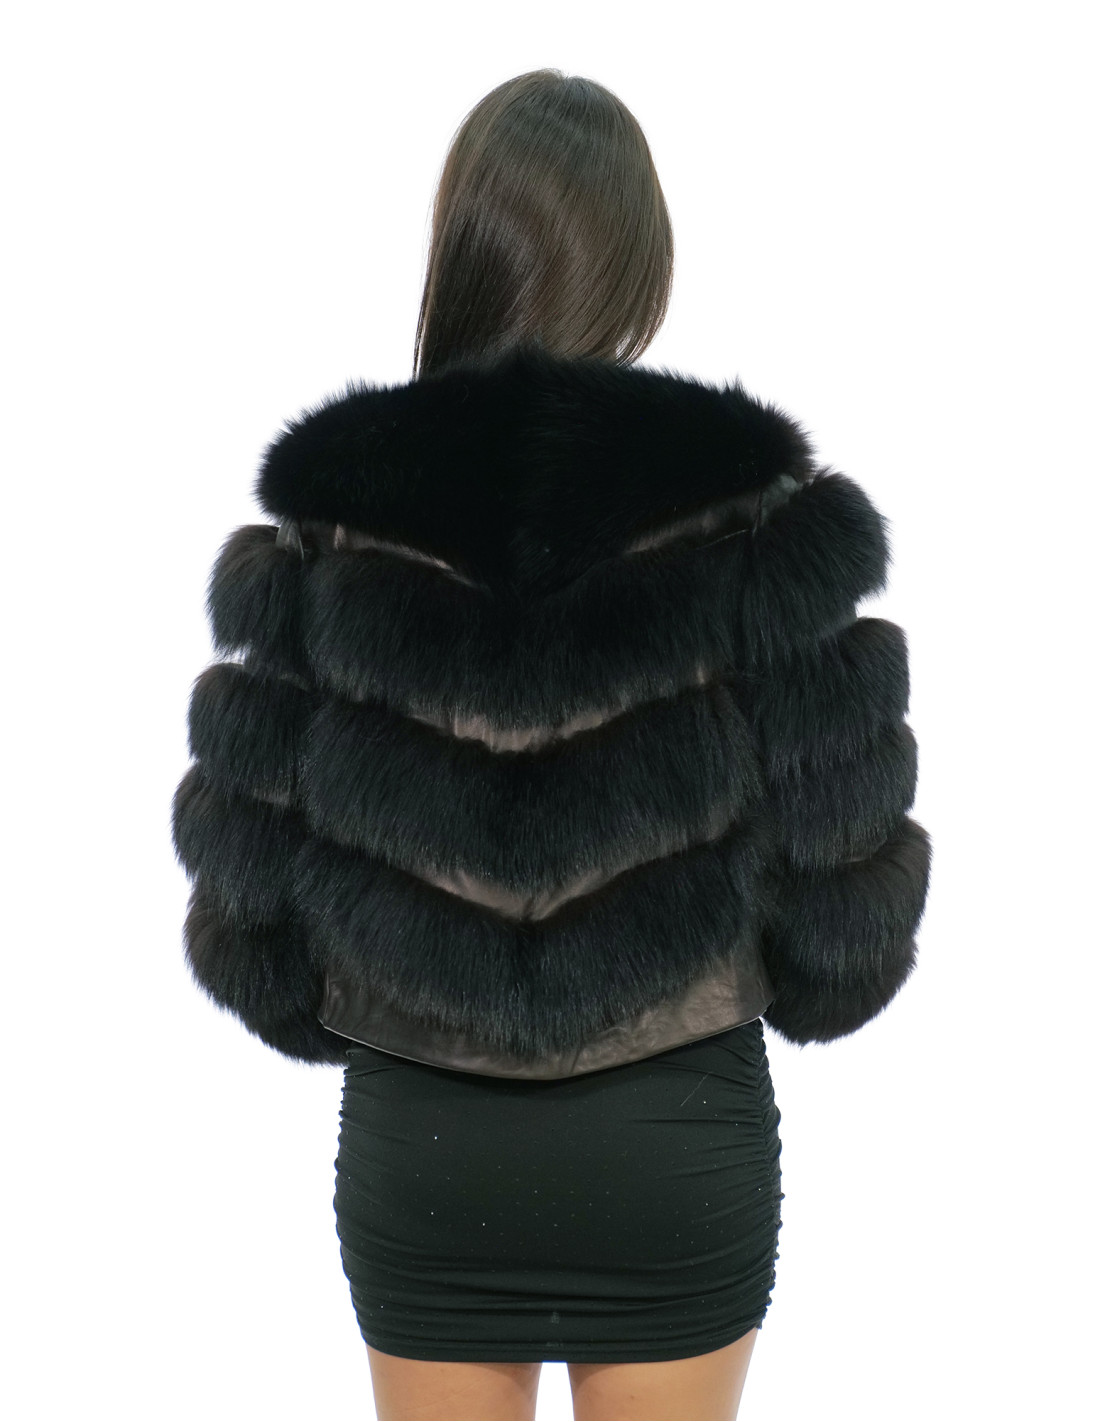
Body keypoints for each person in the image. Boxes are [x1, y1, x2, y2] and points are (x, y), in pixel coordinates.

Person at [171, 68, 932, 1422]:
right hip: (671, 1145)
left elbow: (251, 917)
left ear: (461, 247)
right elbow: (845, 924)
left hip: (430, 1151)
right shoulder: (755, 520)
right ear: (643, 261)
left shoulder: (335, 522)